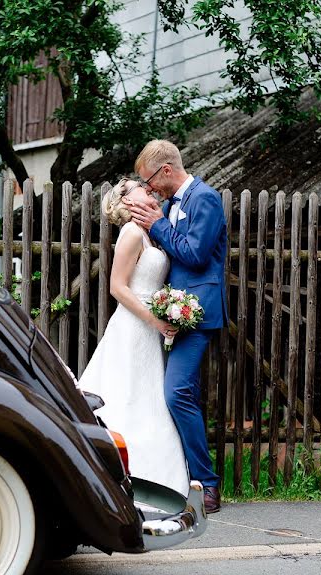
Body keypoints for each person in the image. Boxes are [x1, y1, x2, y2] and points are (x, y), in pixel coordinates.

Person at [124, 139, 227, 514]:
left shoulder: (206, 199)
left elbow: (197, 255)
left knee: (177, 392)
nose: (150, 188)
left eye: (150, 181)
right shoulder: (168, 205)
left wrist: (158, 223)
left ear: (166, 170)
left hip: (197, 311)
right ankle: (184, 478)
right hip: (171, 311)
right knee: (177, 394)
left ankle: (208, 483)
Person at [77, 178, 190, 497]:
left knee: (150, 397)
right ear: (126, 200)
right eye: (137, 186)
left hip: (152, 329)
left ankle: (157, 479)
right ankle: (114, 478)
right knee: (125, 396)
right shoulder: (130, 234)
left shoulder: (150, 234)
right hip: (133, 328)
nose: (146, 186)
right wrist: (156, 320)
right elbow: (118, 287)